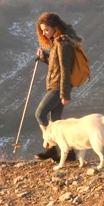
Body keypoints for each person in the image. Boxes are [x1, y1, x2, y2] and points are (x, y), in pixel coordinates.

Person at [33, 12, 82, 161]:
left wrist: (64, 94)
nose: (44, 33)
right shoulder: (57, 42)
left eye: (46, 29)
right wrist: (44, 58)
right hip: (56, 84)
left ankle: (51, 146)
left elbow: (65, 69)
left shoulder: (62, 44)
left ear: (56, 28)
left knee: (39, 114)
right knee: (56, 121)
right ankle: (70, 154)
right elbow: (57, 65)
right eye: (42, 30)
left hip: (58, 87)